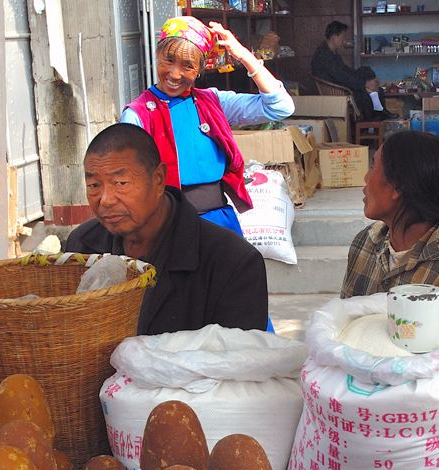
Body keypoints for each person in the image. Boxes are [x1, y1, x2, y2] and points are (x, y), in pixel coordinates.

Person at [65, 123, 269, 337]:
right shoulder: (81, 246)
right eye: (94, 186)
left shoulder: (232, 262)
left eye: (121, 183)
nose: (105, 200)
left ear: (159, 179)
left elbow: (239, 362)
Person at [120, 16, 294, 236]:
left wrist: (244, 56)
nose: (175, 74)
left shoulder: (213, 102)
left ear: (200, 69)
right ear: (157, 55)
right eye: (169, 60)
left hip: (219, 222)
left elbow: (280, 107)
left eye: (187, 66)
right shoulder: (138, 114)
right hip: (167, 225)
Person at [341, 130, 439, 309]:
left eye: (373, 167)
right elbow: (344, 323)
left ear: (397, 188)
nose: (366, 178)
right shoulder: (365, 243)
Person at [310, 21, 391, 122]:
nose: (344, 41)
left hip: (343, 83)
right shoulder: (324, 55)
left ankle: (376, 103)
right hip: (339, 91)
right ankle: (373, 119)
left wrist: (366, 81)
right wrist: (364, 84)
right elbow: (341, 76)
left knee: (366, 71)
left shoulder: (333, 53)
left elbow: (346, 71)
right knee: (367, 93)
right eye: (343, 37)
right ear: (335, 37)